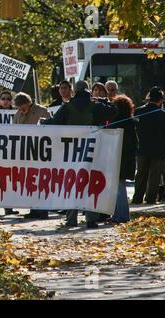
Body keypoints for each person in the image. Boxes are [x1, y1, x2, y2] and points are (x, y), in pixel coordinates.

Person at [44, 80, 118, 228]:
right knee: (90, 183)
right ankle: (91, 219)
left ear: (74, 91)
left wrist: (44, 122)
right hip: (93, 151)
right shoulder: (95, 106)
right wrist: (103, 101)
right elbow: (114, 112)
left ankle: (71, 219)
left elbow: (55, 123)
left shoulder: (67, 107)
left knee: (72, 184)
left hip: (71, 153)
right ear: (88, 91)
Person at [13, 92, 51, 219]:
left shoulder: (41, 111)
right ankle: (33, 210)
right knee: (30, 182)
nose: (21, 110)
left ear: (29, 103)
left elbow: (53, 127)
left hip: (41, 152)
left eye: (23, 107)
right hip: (26, 153)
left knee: (41, 182)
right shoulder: (18, 114)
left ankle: (43, 211)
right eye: (19, 108)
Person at [132, 86, 165, 205]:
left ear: (149, 97)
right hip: (158, 149)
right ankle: (150, 199)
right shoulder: (164, 115)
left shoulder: (138, 111)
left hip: (142, 147)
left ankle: (137, 198)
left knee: (141, 175)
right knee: (154, 176)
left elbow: (135, 128)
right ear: (160, 100)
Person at [108, 95, 137, 223]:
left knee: (118, 187)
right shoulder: (131, 122)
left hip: (118, 157)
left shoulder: (115, 122)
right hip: (127, 158)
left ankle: (123, 215)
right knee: (119, 186)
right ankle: (118, 214)